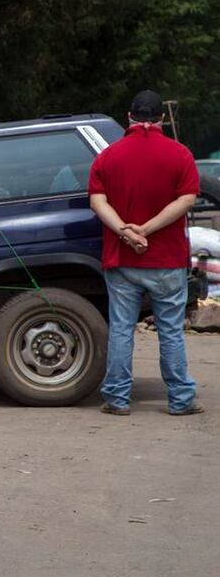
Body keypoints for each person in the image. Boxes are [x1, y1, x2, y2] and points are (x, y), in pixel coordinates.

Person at [88, 89, 202, 415]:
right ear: (161, 118)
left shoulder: (108, 157)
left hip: (122, 259)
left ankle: (117, 399)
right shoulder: (180, 155)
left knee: (122, 330)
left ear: (129, 117)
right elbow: (187, 199)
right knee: (171, 332)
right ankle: (180, 400)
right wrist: (147, 229)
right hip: (167, 260)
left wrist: (125, 231)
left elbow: (97, 202)